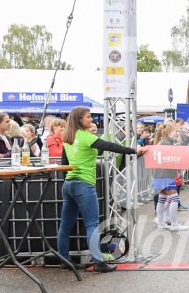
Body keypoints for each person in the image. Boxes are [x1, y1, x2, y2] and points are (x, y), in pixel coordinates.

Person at [57, 107, 147, 273]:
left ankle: (64, 260)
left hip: (69, 184)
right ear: (79, 120)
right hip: (84, 184)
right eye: (88, 117)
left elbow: (64, 163)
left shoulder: (68, 137)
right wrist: (134, 150)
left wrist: (68, 182)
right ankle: (98, 261)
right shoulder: (86, 136)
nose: (91, 120)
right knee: (92, 224)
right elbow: (109, 146)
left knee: (65, 226)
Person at [151, 123, 189, 231]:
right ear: (168, 132)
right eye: (175, 131)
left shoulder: (163, 143)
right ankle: (174, 224)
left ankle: (161, 223)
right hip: (164, 174)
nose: (177, 133)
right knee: (174, 198)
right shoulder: (165, 143)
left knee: (162, 199)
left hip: (160, 174)